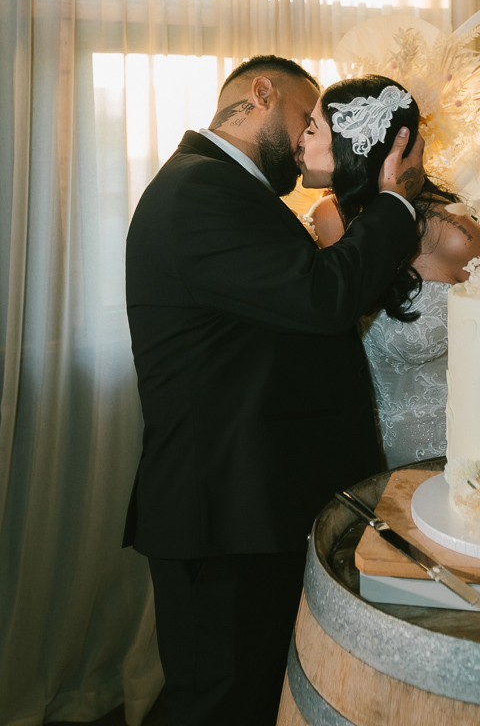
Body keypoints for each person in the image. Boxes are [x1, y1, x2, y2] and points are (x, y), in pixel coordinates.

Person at [123, 55, 425, 726]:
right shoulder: (199, 189)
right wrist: (396, 202)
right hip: (222, 515)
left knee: (256, 697)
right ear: (262, 93)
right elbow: (322, 298)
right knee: (218, 706)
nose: (311, 133)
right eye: (305, 115)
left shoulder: (225, 188)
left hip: (250, 508)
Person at [299, 74, 480, 468]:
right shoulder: (329, 218)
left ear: (352, 146)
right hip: (356, 453)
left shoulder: (455, 236)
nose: (300, 140)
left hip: (444, 453)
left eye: (312, 129)